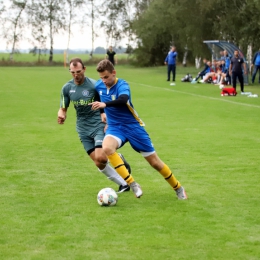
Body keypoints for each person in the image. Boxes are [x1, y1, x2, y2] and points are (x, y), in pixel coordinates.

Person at [89, 59, 187, 200]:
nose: (103, 80)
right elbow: (97, 95)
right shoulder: (99, 85)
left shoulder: (122, 84)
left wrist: (104, 104)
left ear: (114, 73)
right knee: (107, 148)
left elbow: (123, 99)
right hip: (115, 128)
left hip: (133, 127)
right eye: (101, 77)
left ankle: (178, 188)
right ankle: (132, 184)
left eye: (106, 77)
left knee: (155, 163)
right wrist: (102, 113)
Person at [57, 57, 131, 193]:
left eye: (78, 71)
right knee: (99, 162)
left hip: (98, 124)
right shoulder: (67, 88)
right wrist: (61, 114)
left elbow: (105, 102)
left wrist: (108, 120)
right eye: (73, 72)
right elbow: (63, 108)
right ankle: (123, 184)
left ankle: (117, 159)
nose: (76, 75)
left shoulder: (95, 85)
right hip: (82, 128)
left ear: (84, 69)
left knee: (101, 157)